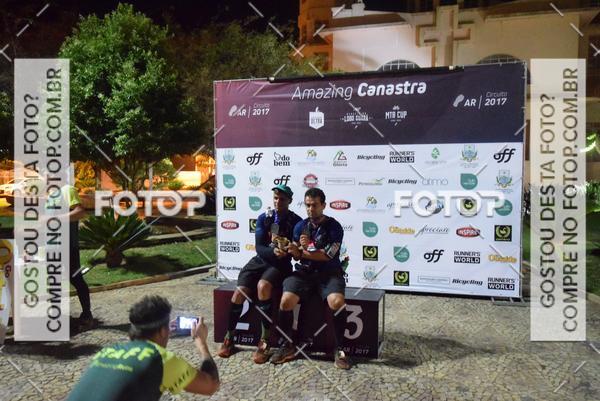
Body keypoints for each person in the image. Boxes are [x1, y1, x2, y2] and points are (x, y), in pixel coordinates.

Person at [67, 295, 220, 401]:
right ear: (162, 331)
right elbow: (210, 385)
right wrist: (201, 342)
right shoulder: (159, 359)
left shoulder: (107, 352)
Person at [218, 185, 302, 363]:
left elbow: (296, 251)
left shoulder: (296, 221)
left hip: (281, 264)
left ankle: (265, 341)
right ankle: (229, 338)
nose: (278, 201)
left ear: (290, 201)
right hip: (261, 260)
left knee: (263, 286)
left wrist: (287, 252)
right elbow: (259, 247)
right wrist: (272, 252)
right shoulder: (264, 218)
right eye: (276, 198)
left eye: (282, 199)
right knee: (239, 293)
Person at [271, 188, 351, 369]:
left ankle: (340, 349)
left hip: (329, 273)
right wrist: (289, 249)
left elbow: (328, 255)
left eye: (314, 205)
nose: (310, 209)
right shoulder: (300, 226)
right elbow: (296, 255)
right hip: (304, 273)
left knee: (337, 302)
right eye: (307, 205)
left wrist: (302, 252)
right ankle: (287, 345)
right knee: (286, 301)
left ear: (323, 205)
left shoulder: (334, 227)